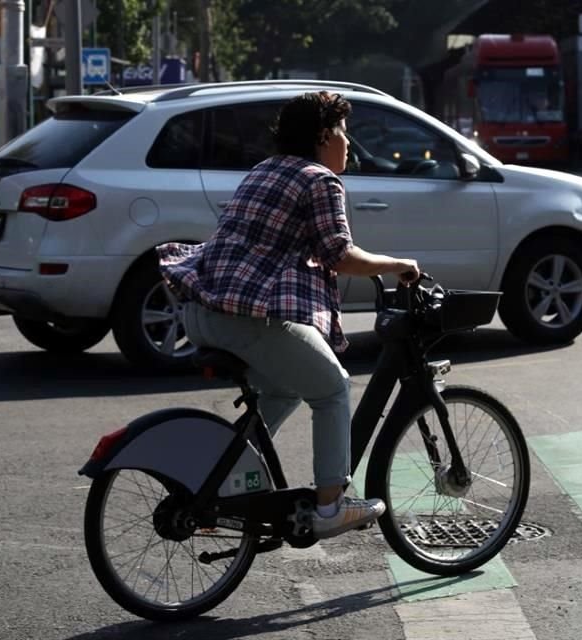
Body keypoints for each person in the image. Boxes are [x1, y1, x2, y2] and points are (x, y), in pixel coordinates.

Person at [157, 91, 421, 539]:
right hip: (246, 316)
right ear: (324, 136)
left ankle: (217, 489)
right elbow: (339, 255)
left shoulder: (265, 168)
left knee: (282, 391)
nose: (348, 144)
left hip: (204, 309)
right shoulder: (319, 180)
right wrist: (399, 265)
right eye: (343, 133)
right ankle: (330, 506)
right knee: (333, 388)